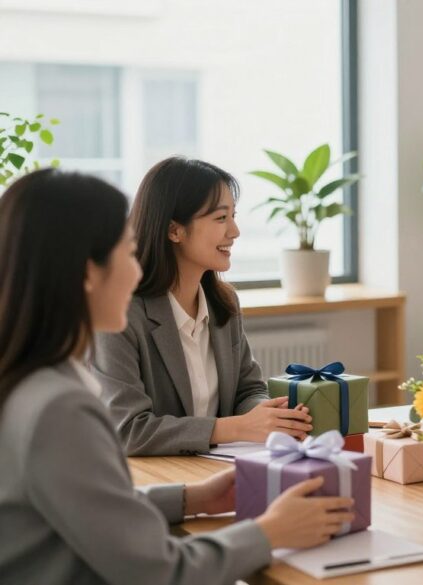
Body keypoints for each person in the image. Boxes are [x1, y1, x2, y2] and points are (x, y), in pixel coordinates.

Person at [0, 169, 352, 584]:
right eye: (128, 254)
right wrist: (270, 531)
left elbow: (97, 511)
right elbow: (160, 571)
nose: (136, 271)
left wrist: (196, 498)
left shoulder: (32, 384)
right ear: (88, 273)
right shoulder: (60, 408)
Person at [93, 157, 312, 455]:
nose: (234, 231)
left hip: (215, 469)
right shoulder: (121, 314)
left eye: (233, 216)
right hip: (155, 482)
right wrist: (236, 427)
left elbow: (248, 390)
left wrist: (271, 416)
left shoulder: (224, 303)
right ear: (174, 230)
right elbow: (128, 430)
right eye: (221, 218)